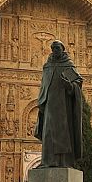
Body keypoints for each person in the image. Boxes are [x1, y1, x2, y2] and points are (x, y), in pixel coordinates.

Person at [33, 40, 83, 168]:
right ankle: (48, 161)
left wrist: (70, 86)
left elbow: (78, 83)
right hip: (49, 104)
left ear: (62, 49)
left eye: (58, 48)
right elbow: (44, 86)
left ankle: (64, 162)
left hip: (63, 106)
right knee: (48, 133)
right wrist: (42, 102)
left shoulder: (68, 65)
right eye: (53, 48)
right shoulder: (47, 66)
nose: (55, 51)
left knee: (63, 134)